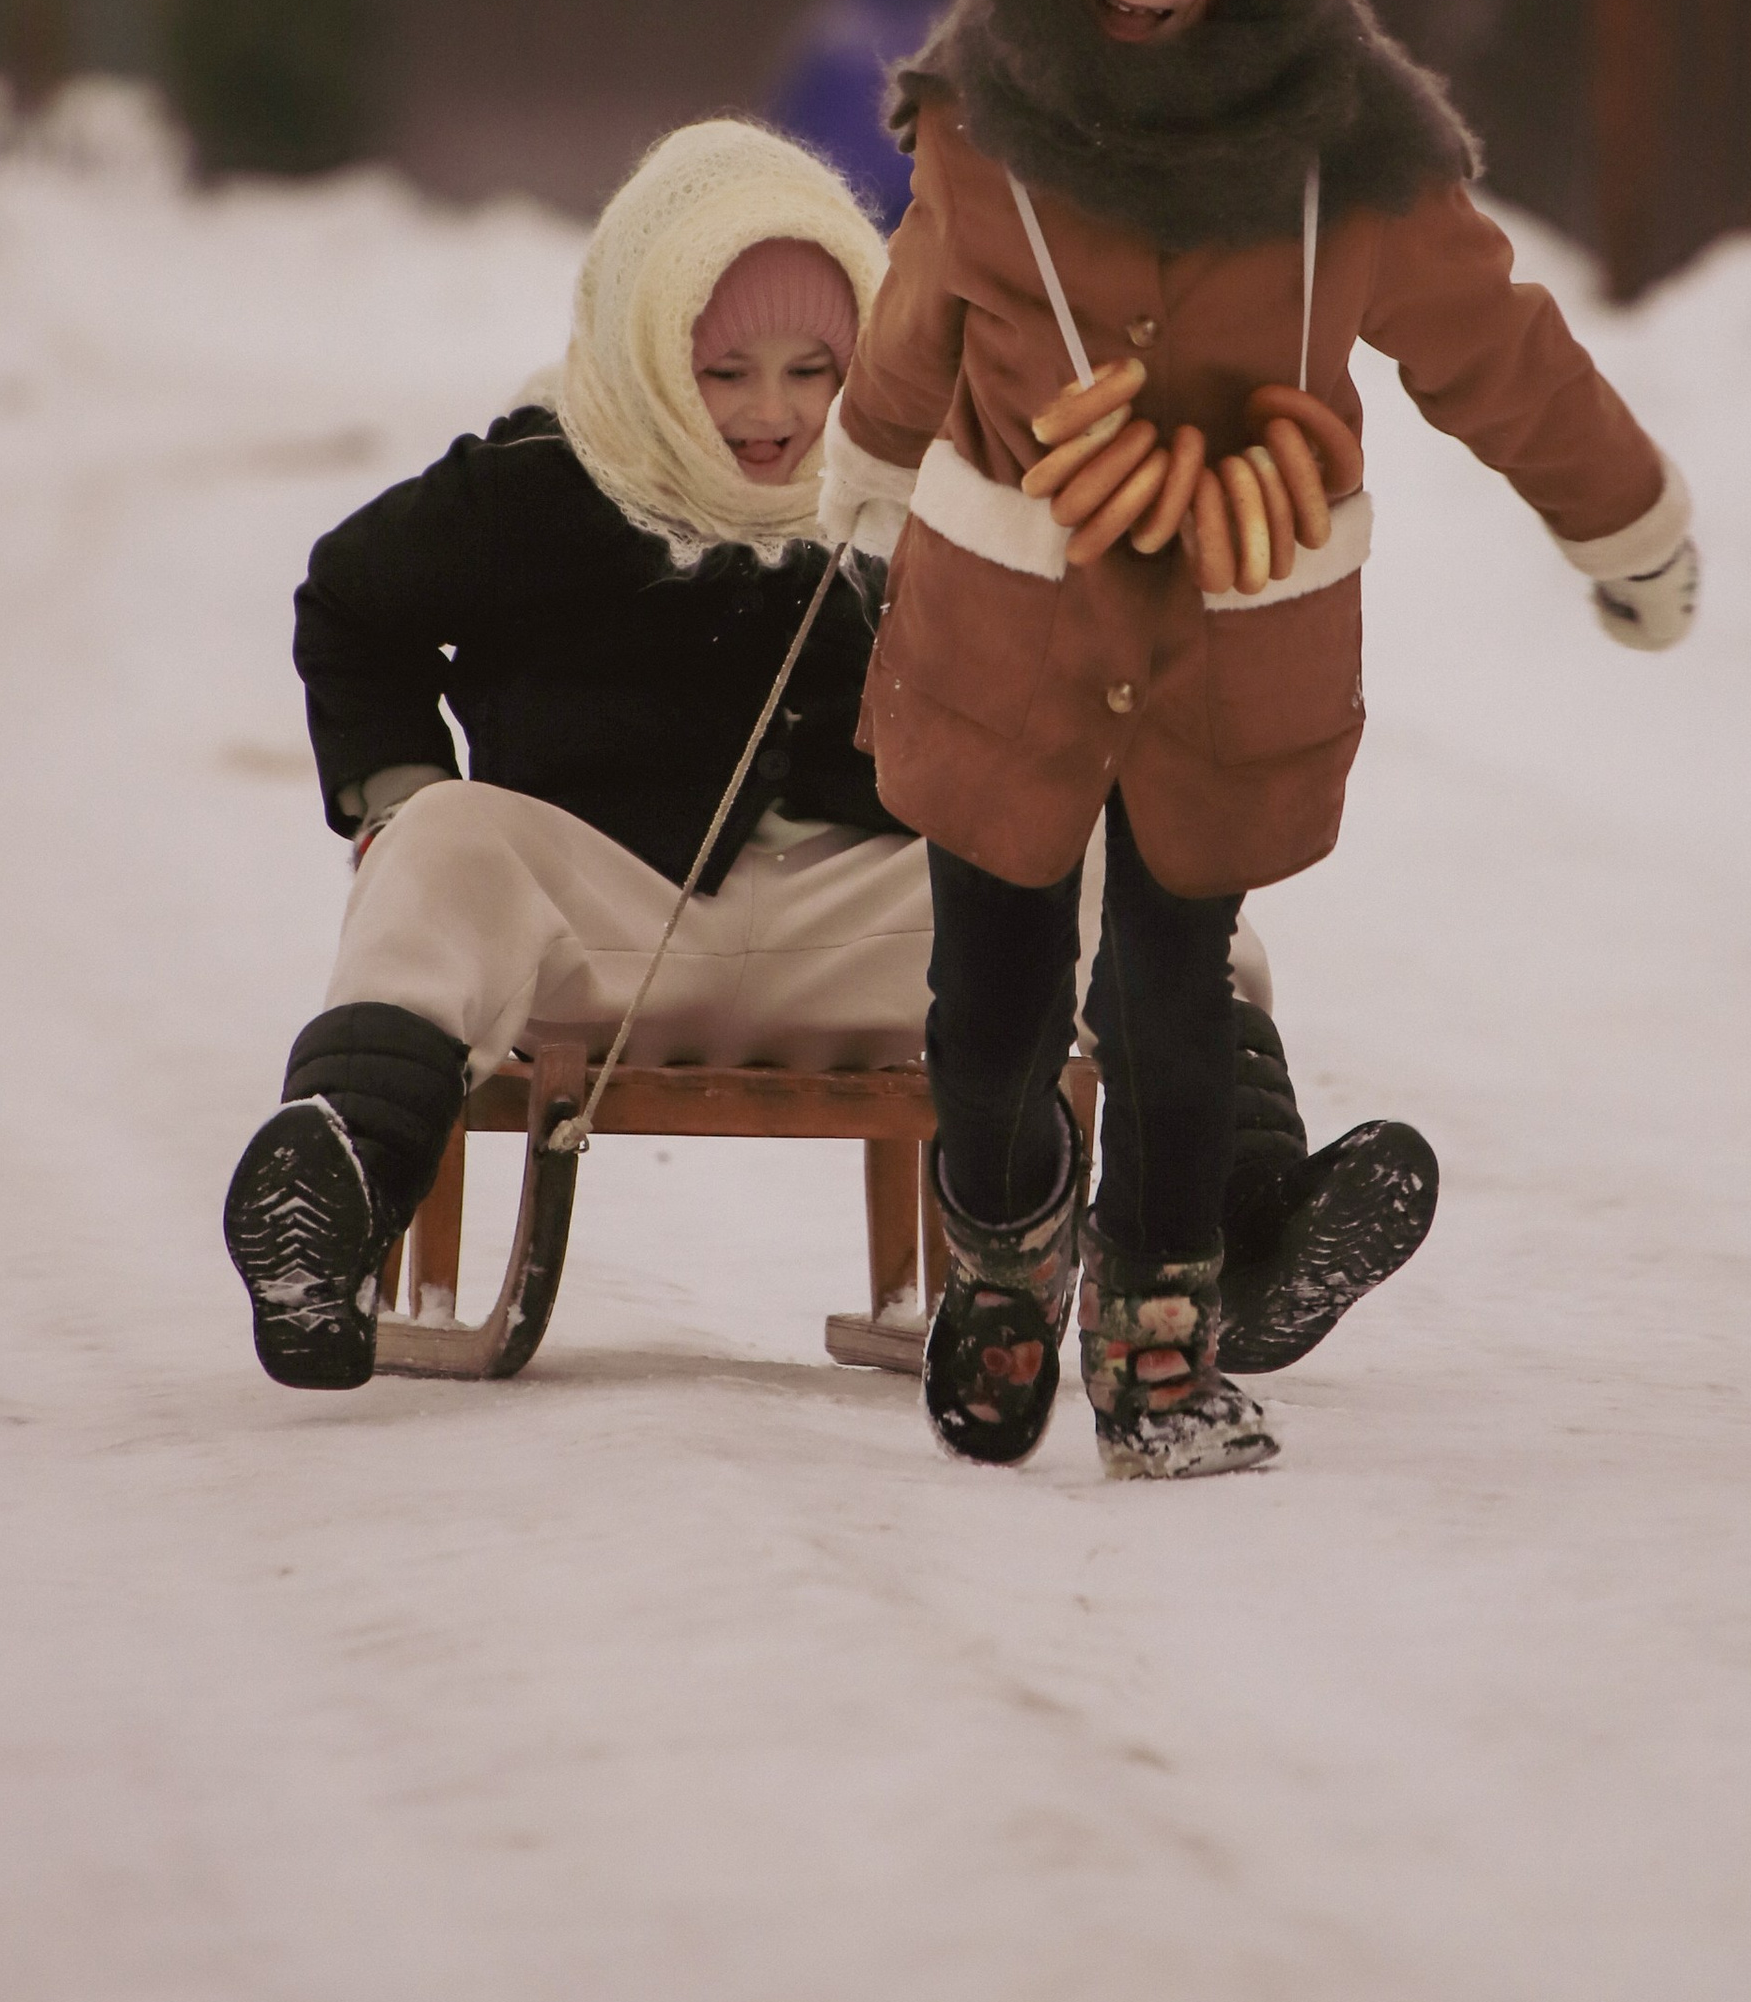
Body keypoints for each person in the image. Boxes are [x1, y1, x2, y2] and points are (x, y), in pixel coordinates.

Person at [817, 0, 1697, 1485]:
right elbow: (915, 328)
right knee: (988, 1004)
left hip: (1222, 652)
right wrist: (865, 480)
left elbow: (1493, 349)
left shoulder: (1347, 155)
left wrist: (1623, 519)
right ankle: (1004, 1242)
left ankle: (1161, 1319)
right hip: (1005, 640)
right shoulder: (978, 126)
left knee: (1173, 996)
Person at [217, 114, 1352, 1393]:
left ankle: (1248, 1225)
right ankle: (333, 1205)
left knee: (1121, 869)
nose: (774, 412)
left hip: (867, 932)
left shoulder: (925, 486)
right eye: (725, 372)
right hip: (603, 924)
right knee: (443, 845)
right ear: (651, 353)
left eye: (815, 369)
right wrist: (397, 790)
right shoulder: (542, 478)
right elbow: (351, 600)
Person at [764, 0, 952, 231]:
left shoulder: (830, 24)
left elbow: (789, 116)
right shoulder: (935, 18)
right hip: (916, 192)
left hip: (839, 190)